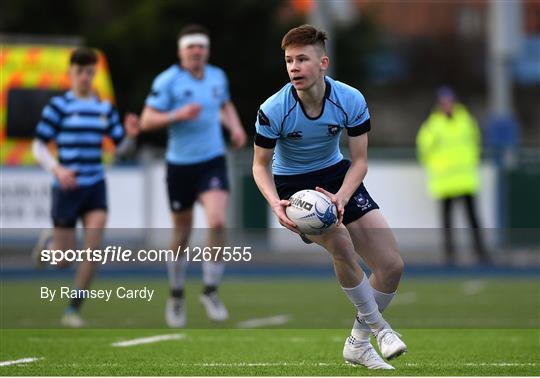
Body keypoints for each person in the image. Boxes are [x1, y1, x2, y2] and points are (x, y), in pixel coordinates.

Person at [252, 25, 406, 370]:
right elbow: (259, 167)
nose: (294, 67)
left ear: (323, 63)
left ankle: (358, 344)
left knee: (391, 267)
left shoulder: (350, 99)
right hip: (294, 185)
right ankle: (381, 330)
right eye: (289, 60)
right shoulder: (273, 109)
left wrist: (340, 197)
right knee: (340, 243)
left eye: (302, 59)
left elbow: (361, 161)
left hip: (338, 177)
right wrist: (275, 202)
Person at [140, 24, 246, 328]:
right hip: (180, 165)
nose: (196, 52)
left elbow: (225, 105)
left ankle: (210, 290)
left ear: (207, 50)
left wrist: (235, 127)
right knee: (182, 232)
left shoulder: (217, 76)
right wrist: (176, 115)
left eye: (201, 47)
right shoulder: (168, 81)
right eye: (191, 47)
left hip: (212, 159)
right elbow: (147, 120)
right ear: (181, 52)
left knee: (217, 221)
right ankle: (175, 295)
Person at [32, 47, 140, 327]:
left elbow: (123, 150)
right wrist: (57, 169)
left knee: (94, 249)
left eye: (90, 72)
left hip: (95, 185)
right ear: (70, 73)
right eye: (79, 71)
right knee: (61, 261)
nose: (85, 76)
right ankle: (50, 245)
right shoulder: (59, 107)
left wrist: (130, 135)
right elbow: (38, 145)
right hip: (66, 188)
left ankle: (73, 309)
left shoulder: (104, 109)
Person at [416, 86, 490, 265]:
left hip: (465, 178)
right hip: (445, 180)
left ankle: (480, 251)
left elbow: (475, 142)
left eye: (449, 101)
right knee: (448, 220)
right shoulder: (433, 125)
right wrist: (436, 167)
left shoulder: (466, 120)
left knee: (472, 217)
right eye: (444, 101)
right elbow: (423, 149)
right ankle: (450, 253)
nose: (447, 104)